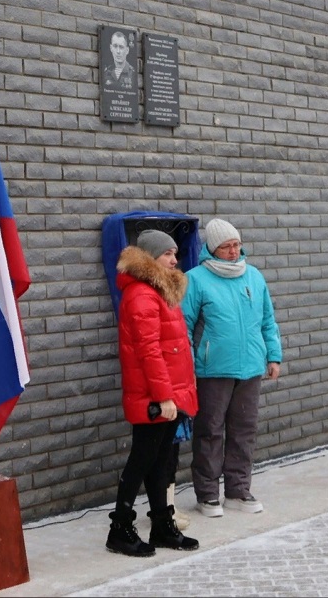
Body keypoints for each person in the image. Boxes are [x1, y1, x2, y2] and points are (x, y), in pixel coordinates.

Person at [106, 229, 199, 557]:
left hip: (168, 393)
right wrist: (164, 397)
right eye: (167, 255)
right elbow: (148, 352)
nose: (175, 260)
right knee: (142, 460)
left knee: (160, 460)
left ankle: (161, 525)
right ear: (149, 258)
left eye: (175, 253)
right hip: (155, 397)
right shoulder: (142, 295)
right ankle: (120, 528)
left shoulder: (160, 291)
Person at [182, 219, 282, 517]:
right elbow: (184, 327)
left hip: (251, 367)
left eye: (236, 244)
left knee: (244, 430)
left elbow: (268, 319)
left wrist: (273, 356)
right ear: (212, 248)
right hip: (212, 370)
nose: (233, 251)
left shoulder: (253, 276)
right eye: (226, 246)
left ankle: (238, 491)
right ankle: (208, 494)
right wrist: (188, 366)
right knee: (209, 431)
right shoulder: (195, 279)